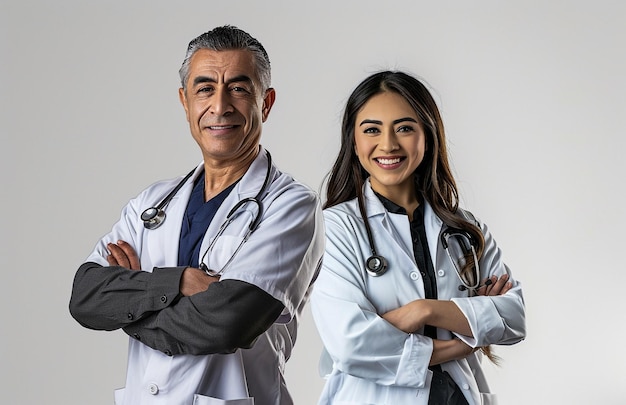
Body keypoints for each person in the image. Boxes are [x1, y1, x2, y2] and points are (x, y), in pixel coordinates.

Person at [69, 25, 324, 405]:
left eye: (238, 88)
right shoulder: (152, 203)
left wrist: (131, 303)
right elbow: (86, 296)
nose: (219, 106)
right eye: (204, 88)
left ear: (266, 103)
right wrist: (180, 282)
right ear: (185, 101)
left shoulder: (290, 206)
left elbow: (225, 324)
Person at [310, 71, 526, 405]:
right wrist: (466, 338)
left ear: (427, 135)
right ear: (354, 141)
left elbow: (513, 317)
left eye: (405, 127)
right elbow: (351, 343)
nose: (389, 144)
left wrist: (424, 311)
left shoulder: (466, 230)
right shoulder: (335, 228)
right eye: (372, 129)